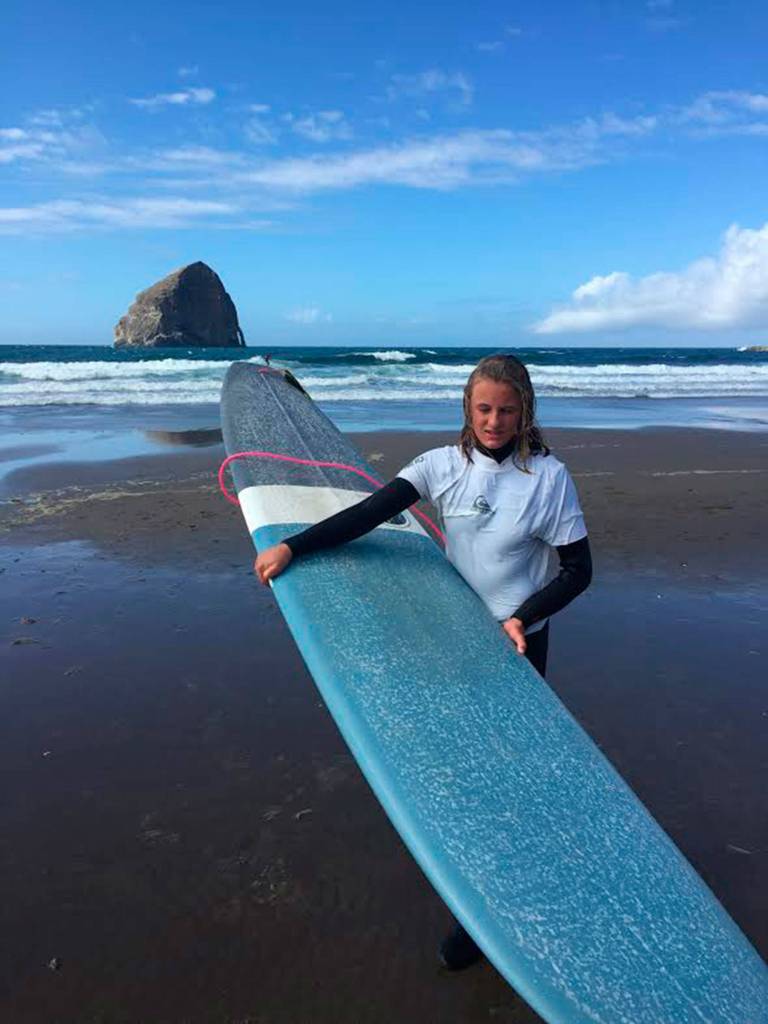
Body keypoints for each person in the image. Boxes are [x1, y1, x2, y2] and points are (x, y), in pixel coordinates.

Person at [254, 353, 592, 971]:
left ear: (526, 412)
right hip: (458, 633)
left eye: (507, 410)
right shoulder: (442, 466)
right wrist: (292, 545)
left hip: (519, 645)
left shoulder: (548, 477)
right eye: (484, 408)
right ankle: (478, 905)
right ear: (467, 407)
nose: (494, 421)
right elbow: (369, 514)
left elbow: (579, 571)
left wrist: (523, 616)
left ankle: (491, 917)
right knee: (467, 773)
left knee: (507, 783)